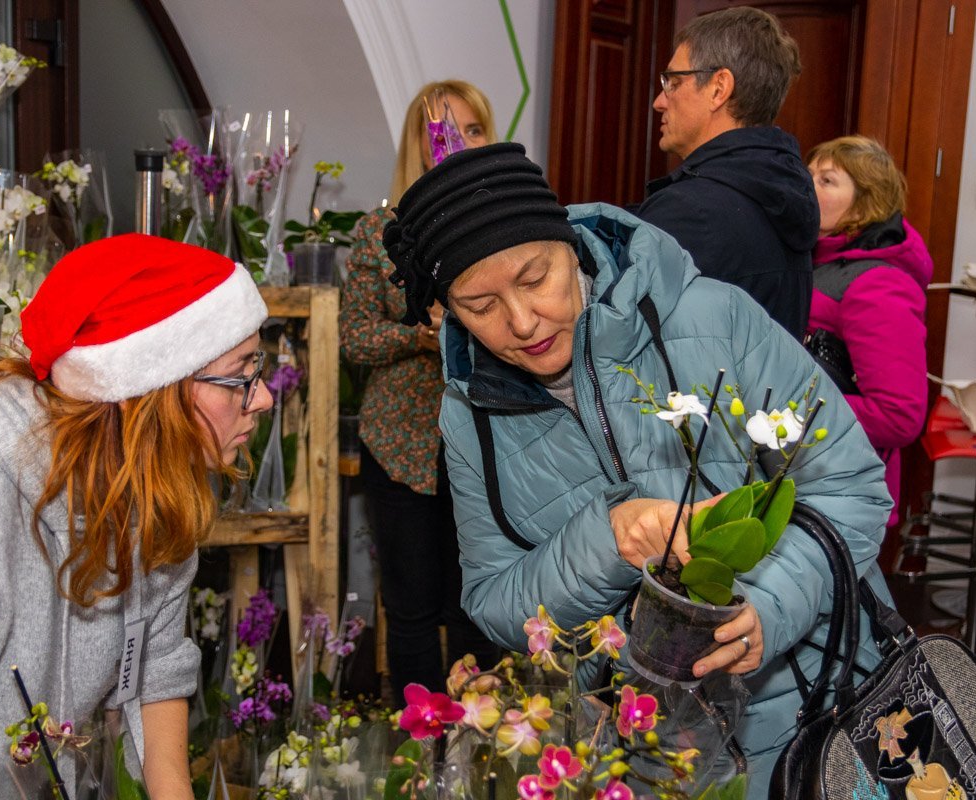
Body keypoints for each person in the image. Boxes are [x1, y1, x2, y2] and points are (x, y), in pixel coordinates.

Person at [382, 142, 893, 798]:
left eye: (535, 277)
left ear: (567, 243)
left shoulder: (710, 318)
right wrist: (609, 541)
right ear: (447, 310)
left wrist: (771, 602)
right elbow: (495, 602)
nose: (521, 319)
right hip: (652, 757)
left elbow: (850, 484)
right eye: (479, 306)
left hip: (821, 712)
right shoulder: (468, 412)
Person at [0, 235, 272, 798]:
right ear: (148, 389)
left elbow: (156, 669)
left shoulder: (156, 479)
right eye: (240, 374)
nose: (264, 397)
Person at [340, 79, 500, 706]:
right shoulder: (379, 231)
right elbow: (355, 337)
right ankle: (418, 747)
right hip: (401, 446)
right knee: (408, 610)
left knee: (476, 606)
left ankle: (477, 743)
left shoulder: (502, 228)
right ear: (419, 144)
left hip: (485, 445)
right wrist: (424, 329)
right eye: (445, 131)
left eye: (475, 129)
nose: (458, 143)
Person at [636, 6, 818, 339]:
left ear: (719, 88)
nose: (660, 101)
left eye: (673, 82)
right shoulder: (784, 189)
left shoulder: (691, 210)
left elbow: (618, 337)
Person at [805, 135, 931, 531]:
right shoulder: (818, 258)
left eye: (827, 180)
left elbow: (898, 415)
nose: (808, 187)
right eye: (808, 175)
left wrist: (791, 406)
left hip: (841, 488)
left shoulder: (877, 283)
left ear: (865, 201)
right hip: (814, 475)